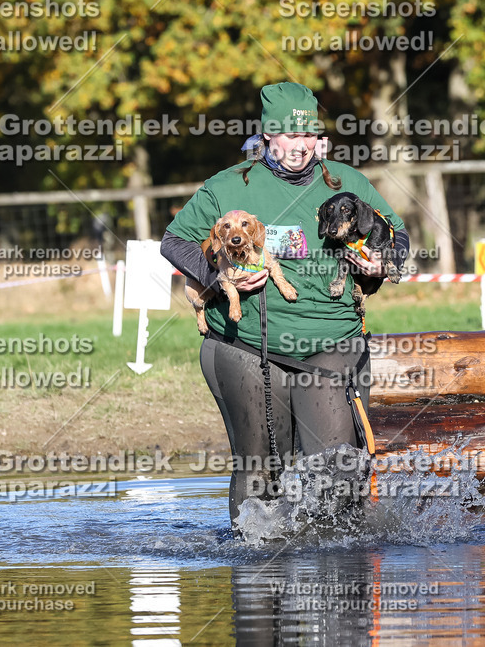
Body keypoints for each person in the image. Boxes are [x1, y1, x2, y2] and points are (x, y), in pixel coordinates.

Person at [161, 82, 409, 530]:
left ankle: (337, 569)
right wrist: (215, 274)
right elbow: (173, 241)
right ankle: (255, 566)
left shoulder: (347, 182)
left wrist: (383, 263)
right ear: (268, 136)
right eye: (290, 137)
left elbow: (397, 234)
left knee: (337, 471)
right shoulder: (227, 186)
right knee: (259, 471)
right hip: (245, 345)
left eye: (309, 136)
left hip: (329, 341)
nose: (300, 146)